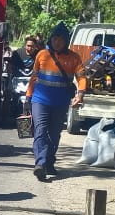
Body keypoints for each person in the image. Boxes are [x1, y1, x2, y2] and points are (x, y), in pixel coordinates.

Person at [26, 21, 87, 181]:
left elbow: (81, 78)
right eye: (54, 38)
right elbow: (34, 77)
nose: (57, 42)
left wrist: (80, 95)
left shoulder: (74, 58)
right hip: (40, 101)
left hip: (60, 103)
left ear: (66, 41)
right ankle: (40, 164)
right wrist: (28, 96)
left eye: (60, 39)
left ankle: (49, 161)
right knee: (40, 131)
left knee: (54, 135)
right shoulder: (42, 55)